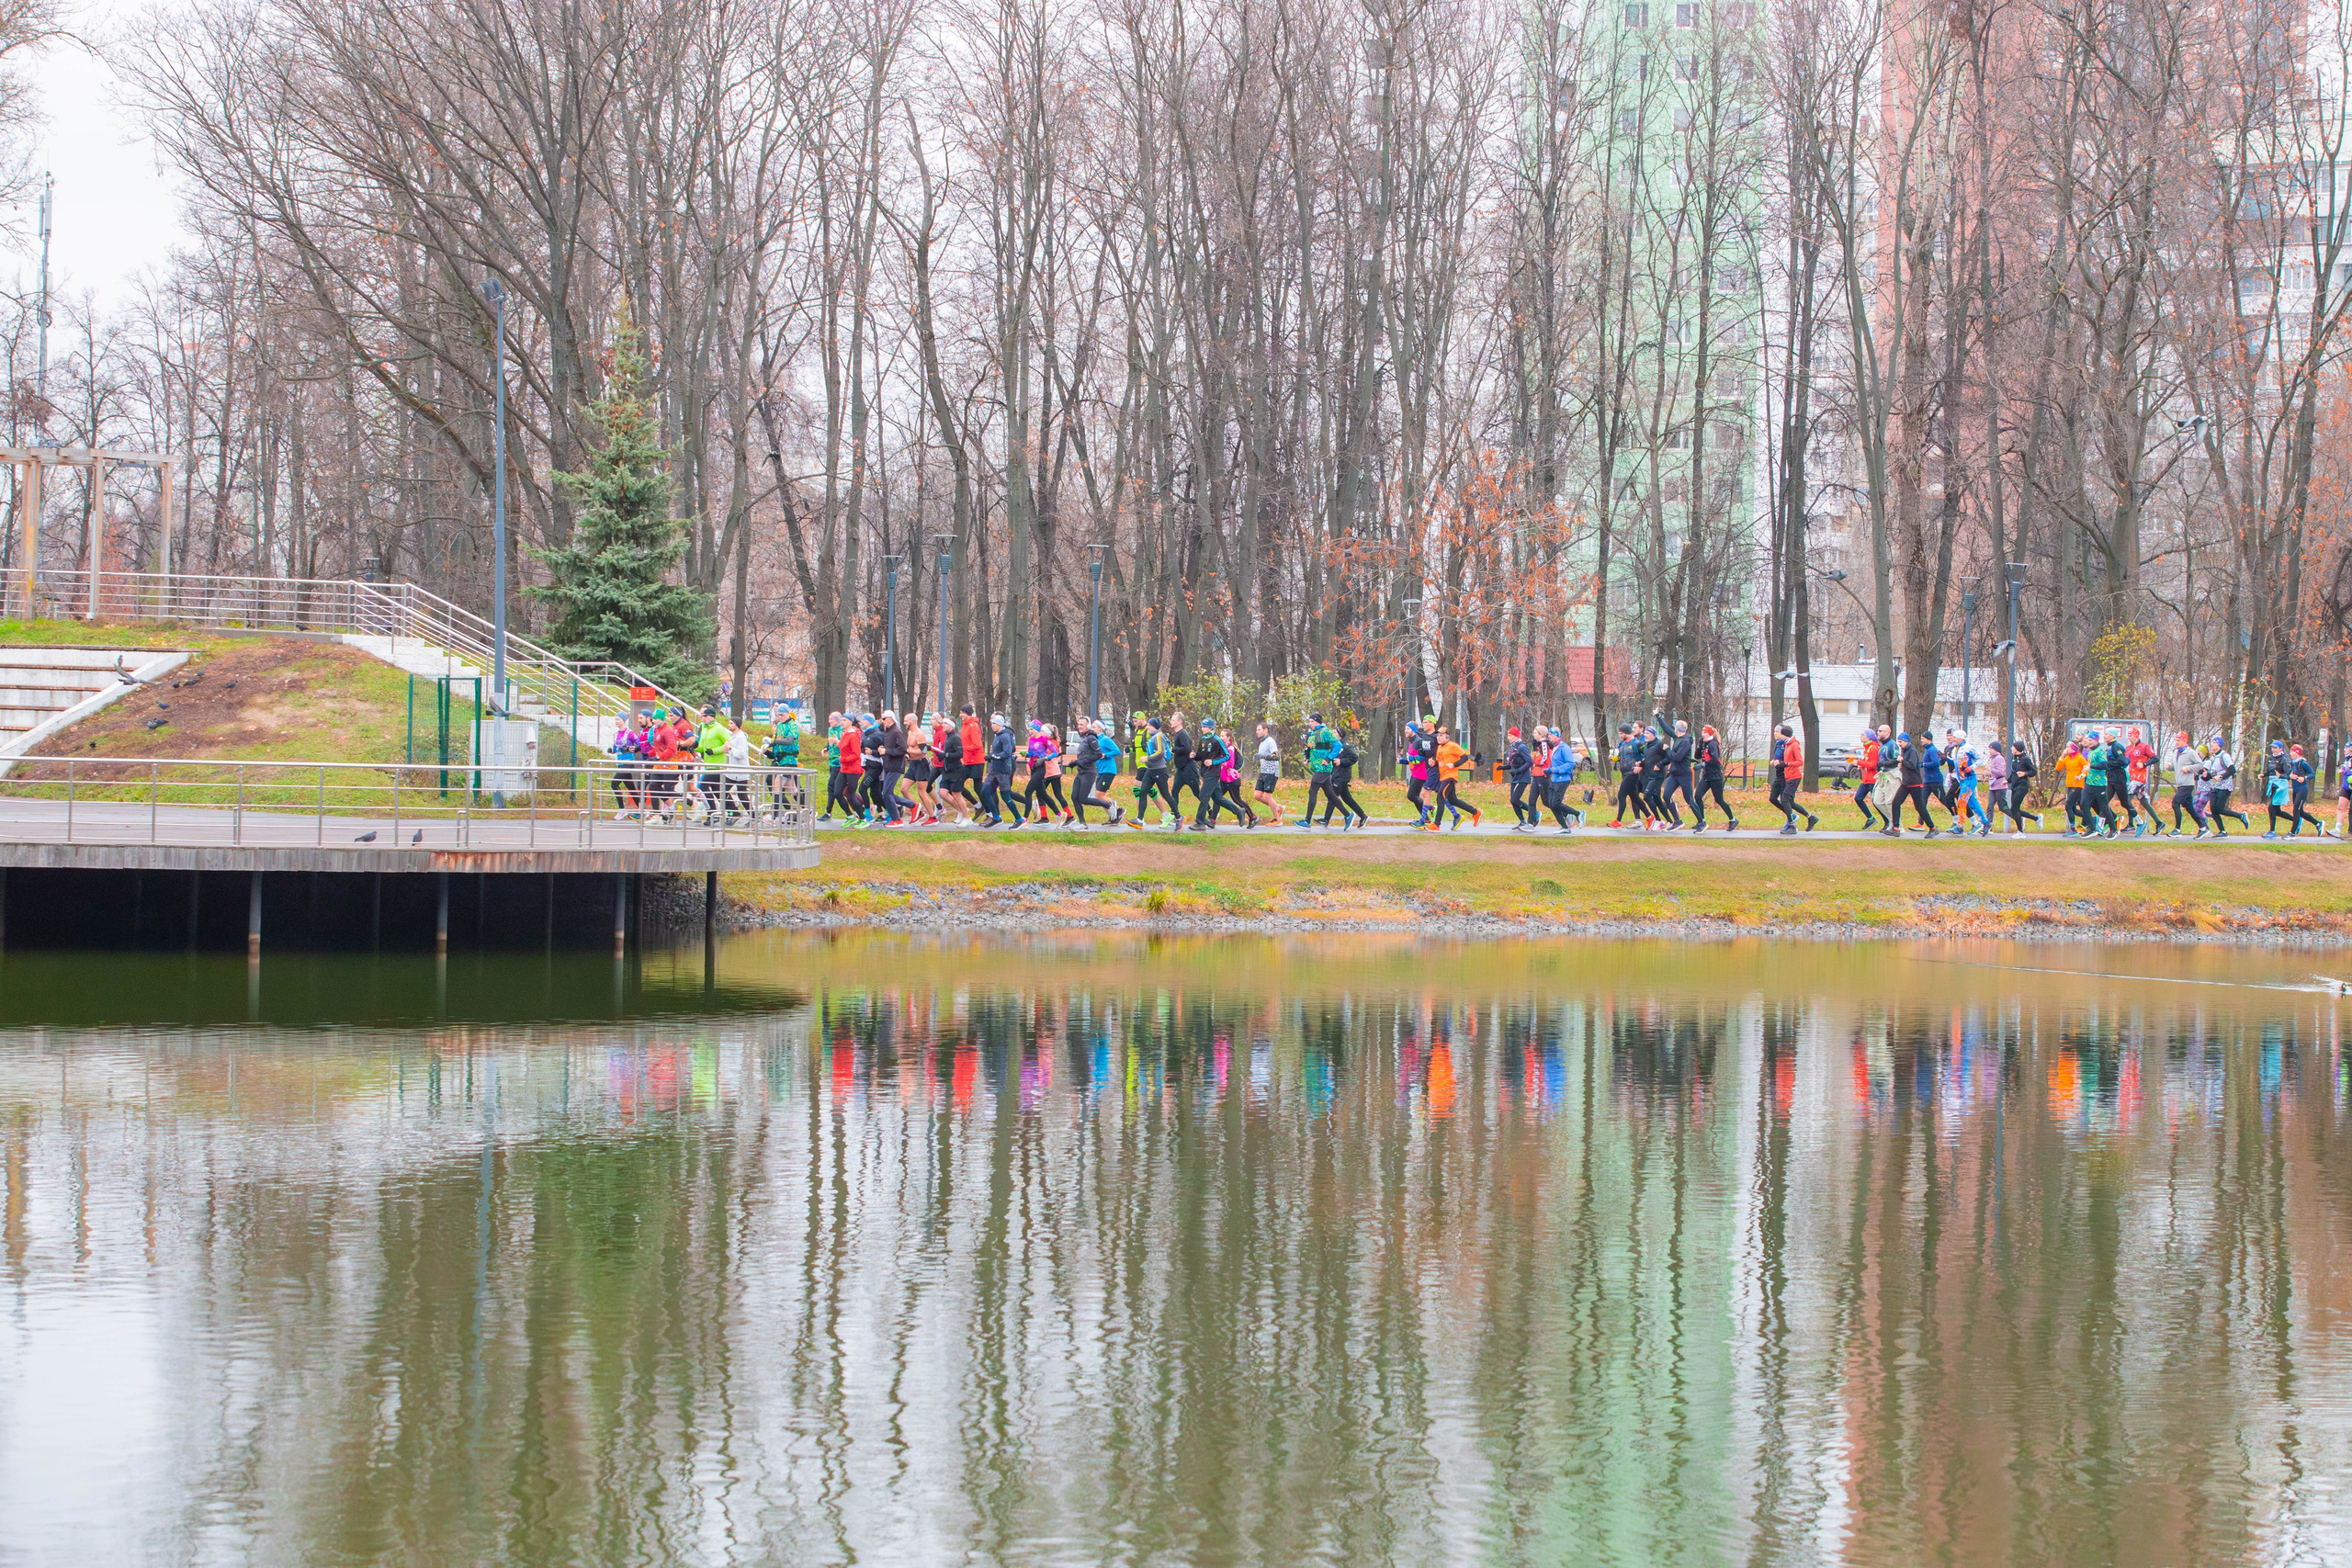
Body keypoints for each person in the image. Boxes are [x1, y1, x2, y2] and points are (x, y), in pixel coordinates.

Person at [1887, 731, 1936, 838]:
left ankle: (1933, 827)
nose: (1899, 744)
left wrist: (1902, 761)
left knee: (1919, 807)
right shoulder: (1904, 750)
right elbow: (1906, 764)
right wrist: (1901, 765)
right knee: (1895, 803)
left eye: (1900, 742)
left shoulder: (1912, 751)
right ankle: (1895, 828)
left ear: (1906, 741)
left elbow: (1913, 766)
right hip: (1906, 783)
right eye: (1898, 742)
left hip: (1914, 783)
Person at [1321, 725, 1369, 828]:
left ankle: (1326, 820)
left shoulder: (1346, 745)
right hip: (1336, 774)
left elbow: (1354, 757)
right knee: (1347, 799)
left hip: (1342, 776)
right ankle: (1363, 816)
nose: (1332, 734)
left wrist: (1341, 761)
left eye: (1334, 732)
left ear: (1340, 735)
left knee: (1332, 797)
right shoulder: (1335, 745)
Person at [1432, 726, 1478, 829]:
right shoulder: (1440, 747)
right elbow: (1440, 762)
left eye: (1441, 735)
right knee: (1453, 800)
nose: (1438, 738)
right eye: (1437, 736)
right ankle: (1475, 812)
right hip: (1443, 777)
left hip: (1450, 776)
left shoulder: (1452, 746)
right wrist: (1433, 763)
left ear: (1447, 736)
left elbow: (1465, 757)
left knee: (1440, 796)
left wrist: (1454, 765)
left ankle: (1436, 824)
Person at [1692, 725, 1734, 830]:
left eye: (1705, 732)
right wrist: (1699, 745)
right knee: (1697, 796)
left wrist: (1702, 765)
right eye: (1702, 732)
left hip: (1715, 776)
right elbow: (1697, 756)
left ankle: (1733, 819)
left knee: (1719, 800)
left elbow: (1715, 760)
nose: (1703, 734)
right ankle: (1702, 820)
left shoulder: (1712, 744)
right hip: (1707, 776)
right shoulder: (1705, 743)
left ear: (1710, 733)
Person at [2206, 736, 2250, 832]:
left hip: (2225, 786)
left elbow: (2232, 769)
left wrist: (2221, 776)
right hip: (2217, 785)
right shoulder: (2214, 757)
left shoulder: (2224, 756)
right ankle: (2222, 832)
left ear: (2219, 745)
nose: (2212, 744)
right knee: (2213, 809)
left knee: (2220, 809)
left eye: (2214, 743)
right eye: (2212, 743)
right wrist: (2206, 775)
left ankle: (2241, 816)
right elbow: (2215, 772)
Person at [983, 711, 1020, 827]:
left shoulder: (1005, 736)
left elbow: (1007, 753)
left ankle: (1019, 819)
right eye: (992, 723)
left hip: (1003, 771)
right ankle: (996, 817)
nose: (992, 725)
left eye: (994, 723)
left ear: (1000, 724)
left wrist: (993, 756)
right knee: (984, 791)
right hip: (994, 770)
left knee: (1005, 795)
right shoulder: (997, 736)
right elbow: (997, 751)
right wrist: (991, 757)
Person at [1544, 728, 1586, 831]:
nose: (1549, 736)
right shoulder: (1554, 747)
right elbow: (1556, 763)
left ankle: (1578, 813)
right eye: (1548, 734)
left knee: (1556, 803)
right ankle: (1564, 827)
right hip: (1554, 779)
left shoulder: (1564, 747)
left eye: (1550, 734)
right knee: (1551, 804)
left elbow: (1570, 763)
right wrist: (1549, 771)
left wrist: (1556, 770)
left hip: (1563, 778)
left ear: (1556, 735)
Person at [1168, 713, 1204, 822]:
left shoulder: (1182, 734)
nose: (1171, 721)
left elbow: (1187, 748)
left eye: (1173, 720)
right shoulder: (1177, 734)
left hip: (1188, 768)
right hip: (1180, 769)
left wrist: (1173, 749)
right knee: (1174, 791)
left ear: (1180, 722)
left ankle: (1211, 812)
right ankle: (1175, 815)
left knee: (1196, 792)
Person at [2166, 732, 2204, 836]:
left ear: (2184, 741)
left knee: (2175, 803)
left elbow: (2200, 765)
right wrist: (2169, 767)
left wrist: (2189, 768)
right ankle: (2203, 827)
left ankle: (2177, 830)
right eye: (2176, 740)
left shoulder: (2190, 753)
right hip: (2180, 783)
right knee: (2189, 808)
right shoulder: (2176, 752)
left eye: (2179, 740)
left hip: (2187, 784)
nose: (2176, 742)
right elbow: (2175, 766)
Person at [2124, 726, 2159, 837]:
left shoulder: (2144, 747)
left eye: (2131, 736)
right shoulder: (2128, 748)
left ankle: (2133, 823)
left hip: (2139, 778)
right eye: (2128, 736)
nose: (2129, 738)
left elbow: (2155, 758)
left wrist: (2144, 764)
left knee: (2126, 800)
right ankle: (2159, 822)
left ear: (2136, 736)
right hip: (2131, 777)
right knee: (2144, 802)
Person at [1611, 723, 1645, 827]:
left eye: (1621, 733)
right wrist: (1614, 759)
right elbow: (1622, 757)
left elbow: (1647, 756)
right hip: (1624, 773)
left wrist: (1641, 765)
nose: (1620, 736)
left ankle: (1618, 821)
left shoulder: (1637, 743)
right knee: (1635, 797)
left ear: (1626, 733)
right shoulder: (1621, 744)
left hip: (1633, 773)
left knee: (1621, 795)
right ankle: (1649, 817)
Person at [721, 717, 754, 824]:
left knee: (741, 794)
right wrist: (727, 749)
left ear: (737, 725)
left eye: (731, 723)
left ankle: (752, 816)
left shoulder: (741, 737)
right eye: (729, 722)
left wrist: (730, 748)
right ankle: (733, 813)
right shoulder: (732, 736)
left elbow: (741, 754)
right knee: (723, 792)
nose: (729, 725)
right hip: (732, 771)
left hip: (740, 772)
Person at [1507, 727, 1539, 830]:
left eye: (1511, 736)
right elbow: (1514, 762)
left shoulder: (1522, 747)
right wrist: (1503, 767)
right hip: (1515, 777)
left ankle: (1535, 813)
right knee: (1514, 801)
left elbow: (1529, 761)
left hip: (1523, 777)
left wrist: (1518, 770)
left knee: (1515, 799)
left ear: (1516, 736)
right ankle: (1522, 821)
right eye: (1508, 736)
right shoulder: (1513, 747)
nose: (1509, 738)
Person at [1854, 728, 1882, 830]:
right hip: (1866, 779)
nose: (1861, 736)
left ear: (1869, 737)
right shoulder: (1867, 748)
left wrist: (1859, 763)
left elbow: (1873, 765)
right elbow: (1868, 762)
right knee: (1858, 798)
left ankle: (1889, 821)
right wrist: (1862, 765)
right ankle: (1870, 818)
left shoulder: (1874, 748)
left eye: (1863, 735)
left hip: (1873, 779)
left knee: (1876, 801)